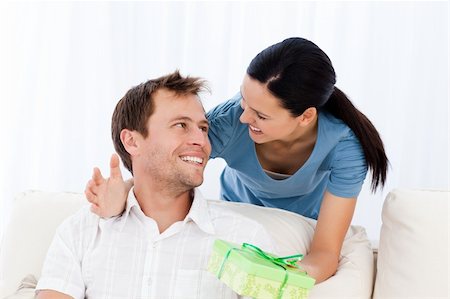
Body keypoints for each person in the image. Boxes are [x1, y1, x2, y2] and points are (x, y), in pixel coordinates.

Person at [86, 37, 388, 283]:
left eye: (261, 115)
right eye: (244, 100)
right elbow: (168, 165)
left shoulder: (346, 147)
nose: (245, 116)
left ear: (306, 116)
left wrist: (277, 279)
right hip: (240, 217)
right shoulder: (232, 121)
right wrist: (123, 194)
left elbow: (323, 253)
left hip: (302, 227)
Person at [36, 71, 277, 299]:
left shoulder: (246, 238)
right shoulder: (83, 232)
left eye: (203, 128)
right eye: (181, 125)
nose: (201, 140)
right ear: (132, 141)